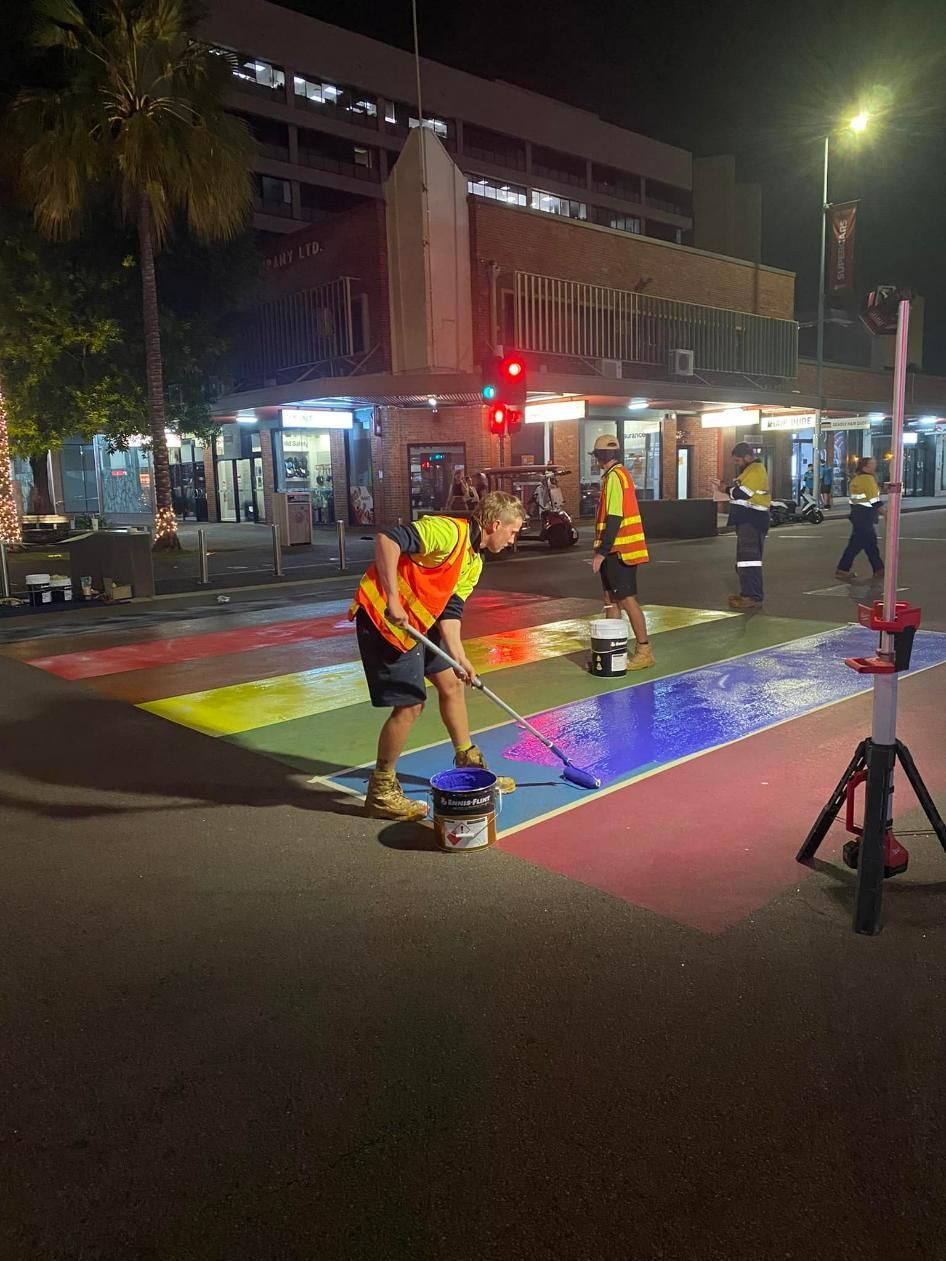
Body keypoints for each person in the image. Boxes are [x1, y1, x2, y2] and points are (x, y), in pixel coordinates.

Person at [350, 492, 524, 820]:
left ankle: (468, 763)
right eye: (513, 532)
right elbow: (388, 538)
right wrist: (393, 599)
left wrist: (461, 658)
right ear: (496, 524)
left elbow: (451, 611)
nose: (513, 540)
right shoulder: (448, 532)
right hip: (383, 619)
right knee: (411, 704)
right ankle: (382, 790)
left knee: (451, 682)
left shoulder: (475, 560)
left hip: (419, 623)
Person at [590, 434, 654, 670]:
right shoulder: (616, 476)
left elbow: (614, 516)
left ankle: (644, 650)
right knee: (610, 599)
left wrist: (601, 552)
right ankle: (612, 649)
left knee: (626, 599)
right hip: (616, 550)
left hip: (620, 551)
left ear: (599, 457)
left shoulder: (615, 477)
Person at [714, 442, 771, 611]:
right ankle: (748, 593)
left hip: (752, 520)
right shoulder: (749, 470)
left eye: (738, 460)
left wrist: (725, 488)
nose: (736, 464)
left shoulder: (755, 470)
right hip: (748, 519)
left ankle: (752, 596)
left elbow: (743, 493)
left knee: (749, 561)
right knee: (745, 560)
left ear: (747, 457)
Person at [835, 456, 884, 583]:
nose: (875, 466)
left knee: (870, 544)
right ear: (865, 467)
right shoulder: (868, 479)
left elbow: (855, 499)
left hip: (857, 514)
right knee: (857, 544)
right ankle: (843, 569)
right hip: (865, 515)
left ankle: (879, 569)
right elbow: (873, 499)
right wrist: (885, 513)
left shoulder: (856, 479)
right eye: (872, 464)